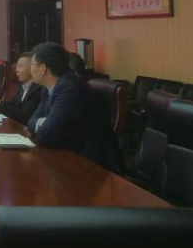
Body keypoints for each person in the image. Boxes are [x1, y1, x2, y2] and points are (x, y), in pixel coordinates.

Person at [26, 43, 125, 174]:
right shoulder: (48, 89)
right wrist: (42, 122)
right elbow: (31, 122)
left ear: (43, 68)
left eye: (31, 65)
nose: (30, 69)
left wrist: (44, 124)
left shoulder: (70, 89)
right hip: (68, 156)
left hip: (93, 167)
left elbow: (46, 136)